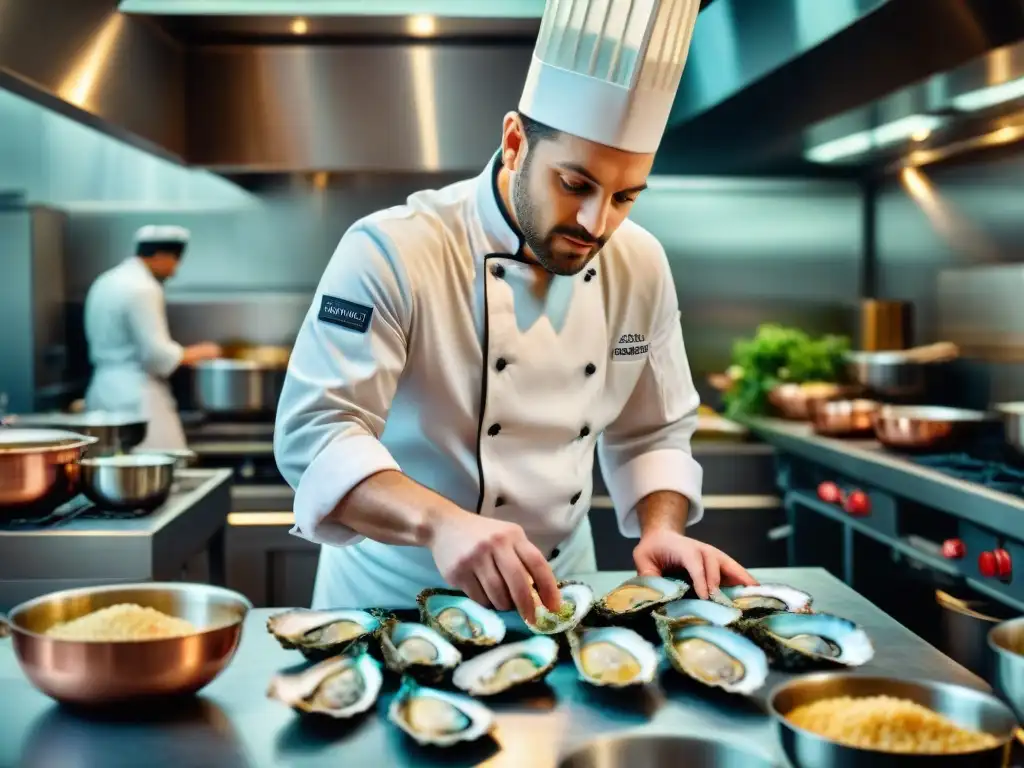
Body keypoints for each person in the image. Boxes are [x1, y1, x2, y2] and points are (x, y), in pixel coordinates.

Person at [275, 0, 759, 621]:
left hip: (559, 596)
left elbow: (653, 431)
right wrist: (441, 524)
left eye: (625, 197)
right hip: (392, 602)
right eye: (575, 185)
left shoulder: (641, 262)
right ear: (513, 144)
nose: (597, 223)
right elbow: (318, 435)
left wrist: (660, 528)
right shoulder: (393, 249)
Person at [83, 225, 221, 450]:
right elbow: (157, 356)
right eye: (175, 261)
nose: (174, 271)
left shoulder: (105, 281)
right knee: (159, 465)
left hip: (101, 392)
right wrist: (201, 352)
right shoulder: (144, 288)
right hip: (137, 398)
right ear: (161, 255)